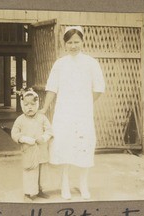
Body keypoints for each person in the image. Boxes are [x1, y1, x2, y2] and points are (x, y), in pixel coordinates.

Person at [40, 26, 105, 200]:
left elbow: (99, 88)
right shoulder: (60, 64)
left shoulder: (91, 63)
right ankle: (65, 184)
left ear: (83, 42)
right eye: (70, 42)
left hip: (83, 113)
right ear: (65, 45)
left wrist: (85, 103)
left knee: (84, 146)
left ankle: (83, 185)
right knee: (64, 145)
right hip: (64, 112)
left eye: (77, 42)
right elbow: (52, 88)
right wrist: (44, 109)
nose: (73, 45)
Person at [11, 89, 53, 202]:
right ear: (22, 105)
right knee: (30, 171)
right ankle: (28, 193)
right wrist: (23, 138)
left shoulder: (42, 118)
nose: (30, 107)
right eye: (26, 104)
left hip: (41, 150)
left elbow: (49, 130)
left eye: (33, 104)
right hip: (29, 151)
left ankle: (40, 190)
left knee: (42, 171)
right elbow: (14, 133)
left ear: (37, 104)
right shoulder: (20, 120)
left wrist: (44, 137)